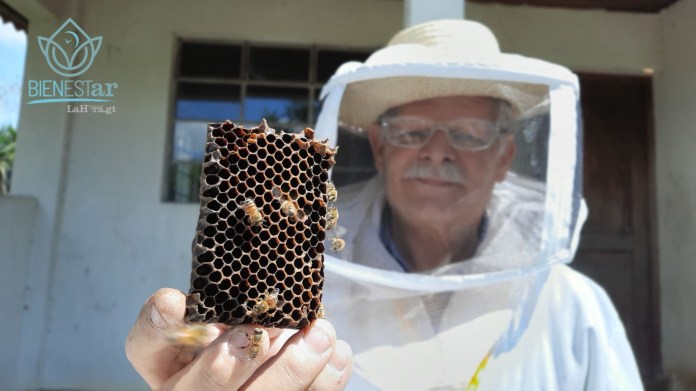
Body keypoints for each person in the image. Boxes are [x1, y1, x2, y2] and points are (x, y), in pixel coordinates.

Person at [126, 19, 643, 390]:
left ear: (506, 156)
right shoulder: (279, 286)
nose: (438, 150)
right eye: (413, 130)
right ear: (378, 147)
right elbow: (210, 349)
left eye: (470, 133)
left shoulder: (576, 308)